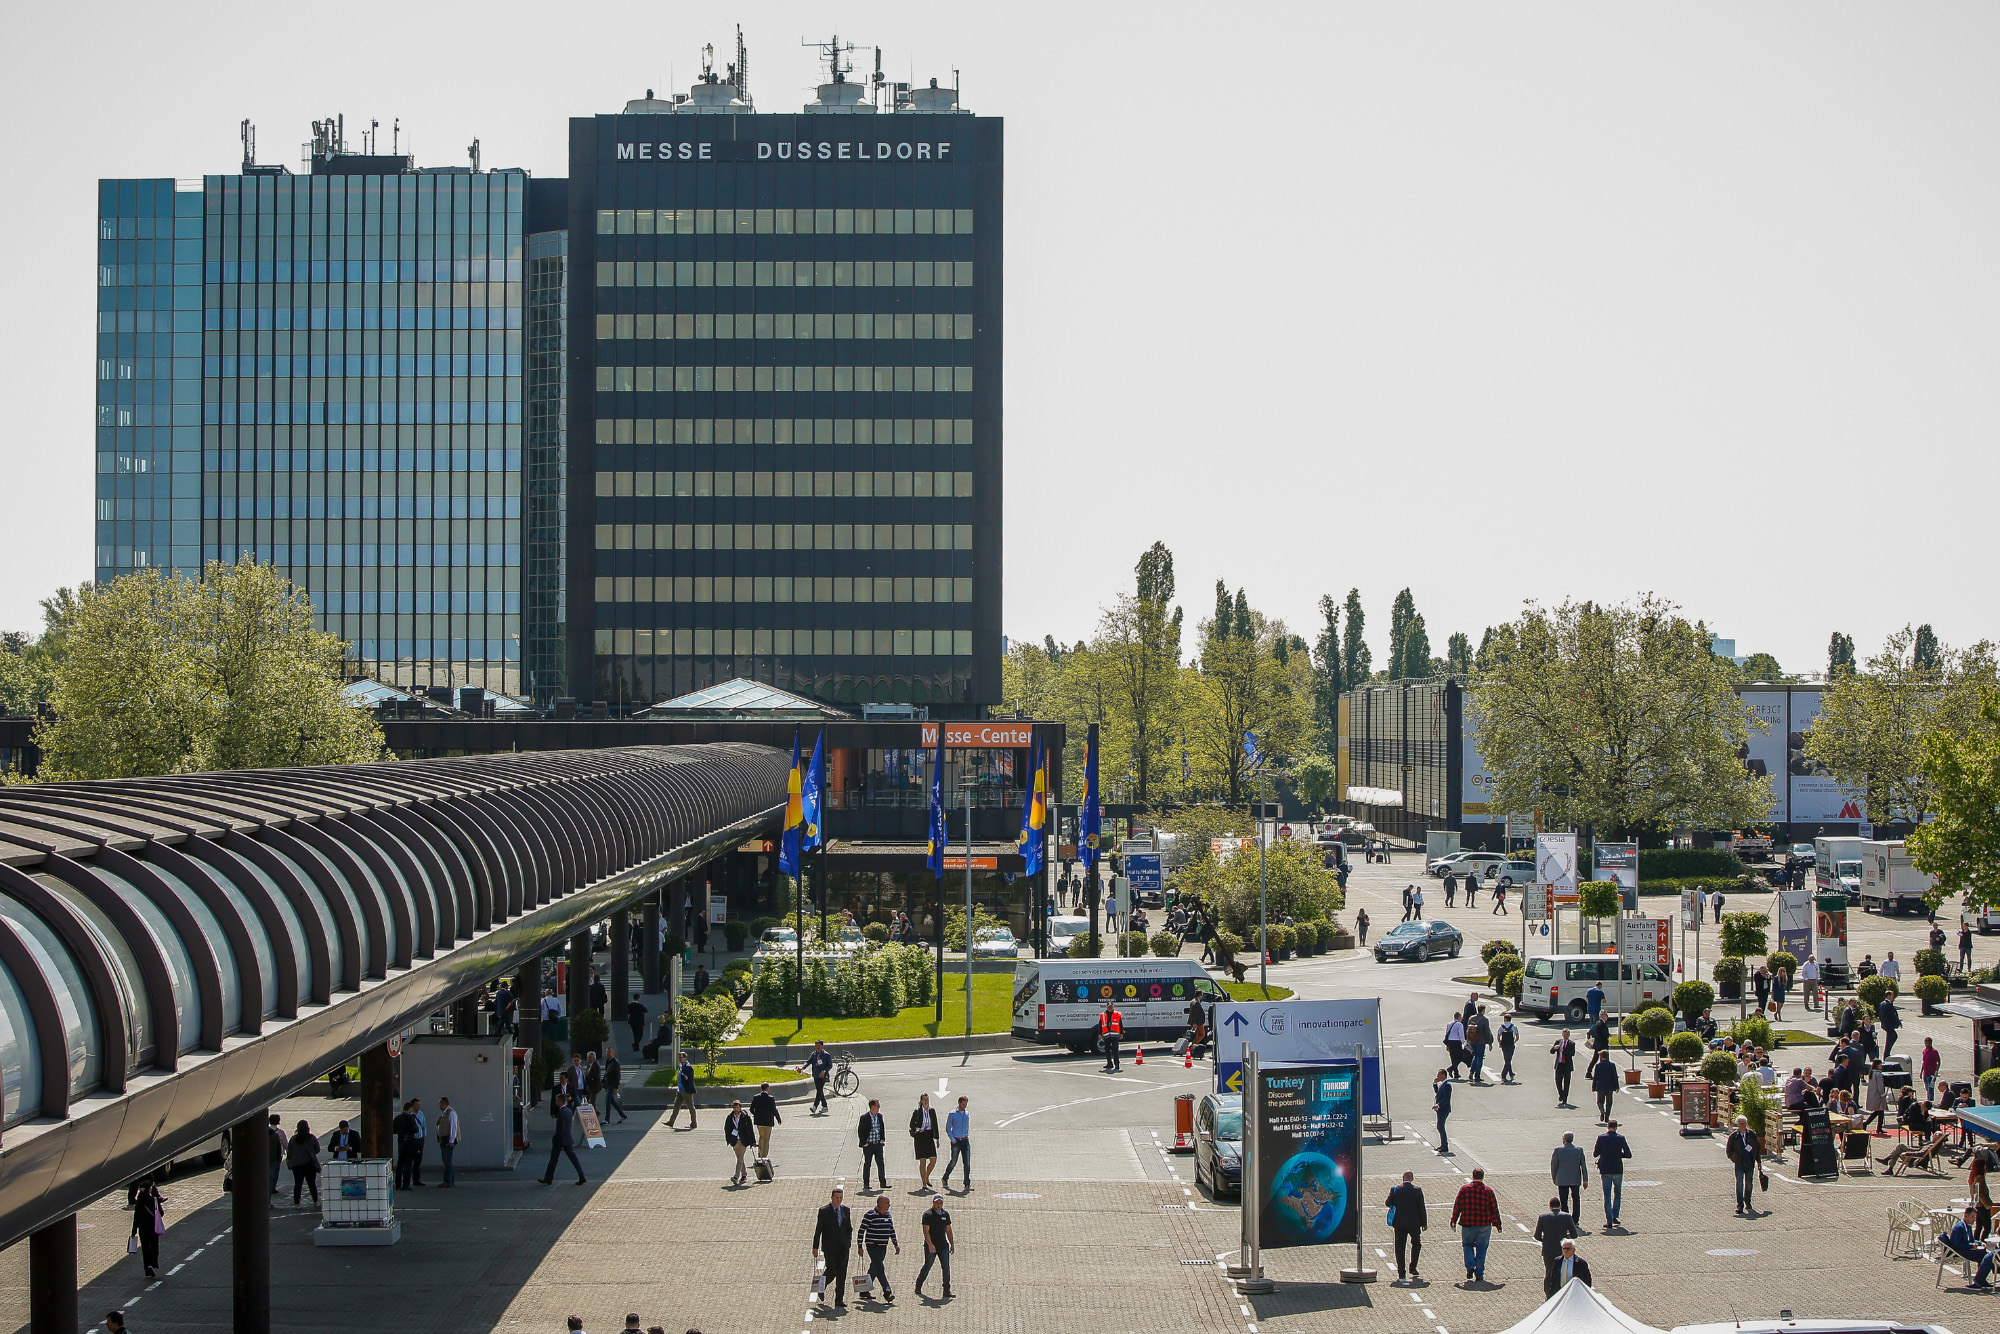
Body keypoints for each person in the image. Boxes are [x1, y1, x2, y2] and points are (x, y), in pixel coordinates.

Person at [1448, 1168, 1500, 1283]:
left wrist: (1454, 1219)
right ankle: (1480, 1273)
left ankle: (1470, 1266)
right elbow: (1494, 1209)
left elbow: (1458, 1206)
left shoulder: (1465, 1189)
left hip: (1467, 1224)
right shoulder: (1488, 1191)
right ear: (1483, 1176)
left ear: (1472, 1176)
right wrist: (1498, 1224)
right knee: (1482, 1248)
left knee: (1467, 1245)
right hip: (1484, 1224)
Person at [813, 1187, 855, 1309]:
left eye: (840, 1198)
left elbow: (849, 1228)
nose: (838, 1200)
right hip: (830, 1248)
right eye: (836, 1198)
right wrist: (815, 1247)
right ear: (832, 1198)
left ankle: (839, 1299)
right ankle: (821, 1286)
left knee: (842, 1274)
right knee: (831, 1270)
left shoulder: (846, 1210)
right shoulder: (824, 1211)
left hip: (843, 1248)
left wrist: (848, 1243)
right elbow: (818, 1230)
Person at [1385, 1170, 1428, 1284]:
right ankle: (1413, 1267)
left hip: (1399, 1224)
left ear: (1402, 1178)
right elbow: (1421, 1208)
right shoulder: (1417, 1191)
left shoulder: (1395, 1189)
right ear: (1412, 1179)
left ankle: (1401, 1273)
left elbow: (1387, 1203)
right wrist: (1424, 1223)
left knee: (1400, 1248)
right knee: (1416, 1244)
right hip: (1414, 1224)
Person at [539, 1091, 588, 1185]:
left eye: (556, 1101)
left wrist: (557, 1138)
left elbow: (560, 1127)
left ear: (560, 1101)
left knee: (553, 1159)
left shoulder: (561, 1112)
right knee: (573, 1158)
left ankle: (548, 1178)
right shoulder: (568, 1111)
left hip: (560, 1139)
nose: (555, 1102)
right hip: (568, 1138)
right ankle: (582, 1176)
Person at [1940, 1207, 1997, 1288]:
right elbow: (1956, 1245)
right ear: (1966, 1216)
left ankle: (1980, 1279)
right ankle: (1979, 1280)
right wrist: (1972, 1246)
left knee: (1985, 1255)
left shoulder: (1968, 1226)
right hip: (1958, 1251)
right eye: (1972, 1217)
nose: (1974, 1219)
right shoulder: (1959, 1228)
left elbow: (1972, 1239)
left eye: (1975, 1217)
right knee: (1985, 1255)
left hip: (1965, 1249)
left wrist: (1980, 1243)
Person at [858, 1194, 900, 1302]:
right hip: (872, 1246)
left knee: (874, 1268)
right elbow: (861, 1230)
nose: (889, 1205)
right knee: (880, 1268)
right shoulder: (870, 1215)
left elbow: (891, 1230)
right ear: (880, 1204)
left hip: (883, 1247)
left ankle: (864, 1290)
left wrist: (895, 1243)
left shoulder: (888, 1216)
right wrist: (860, 1245)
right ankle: (887, 1292)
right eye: (887, 1203)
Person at [1534, 1196, 1577, 1296]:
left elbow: (1537, 1235)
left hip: (1548, 1250)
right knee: (1563, 1272)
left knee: (1549, 1273)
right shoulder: (1566, 1216)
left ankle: (1548, 1295)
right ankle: (1562, 1293)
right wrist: (1565, 1239)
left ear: (1550, 1206)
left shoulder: (1542, 1217)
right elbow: (1574, 1234)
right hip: (1563, 1250)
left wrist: (1546, 1240)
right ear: (1560, 1206)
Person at [916, 1194, 955, 1299]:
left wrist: (952, 1243)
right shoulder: (927, 1215)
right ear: (933, 1203)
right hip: (931, 1245)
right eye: (937, 1203)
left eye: (940, 1203)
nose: (939, 1205)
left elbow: (948, 1229)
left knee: (946, 1267)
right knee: (928, 1265)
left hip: (943, 1245)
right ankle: (918, 1285)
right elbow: (926, 1232)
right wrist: (930, 1245)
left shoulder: (945, 1214)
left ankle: (946, 1290)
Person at [1594, 1120, 1631, 1228]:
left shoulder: (1601, 1138)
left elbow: (1595, 1153)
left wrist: (1604, 1153)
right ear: (1616, 1127)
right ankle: (1615, 1216)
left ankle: (1609, 1220)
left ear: (1608, 1127)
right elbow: (1628, 1154)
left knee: (1607, 1195)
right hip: (1617, 1169)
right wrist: (1619, 1155)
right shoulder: (1620, 1138)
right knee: (1617, 1193)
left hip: (1605, 1169)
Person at [130, 1176, 165, 1278]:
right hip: (153, 1228)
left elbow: (136, 1217)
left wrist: (134, 1231)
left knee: (145, 1248)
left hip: (142, 1228)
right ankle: (153, 1263)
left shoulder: (139, 1201)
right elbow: (161, 1213)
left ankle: (147, 1268)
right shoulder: (153, 1200)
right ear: (149, 1189)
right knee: (154, 1247)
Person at [1725, 1115, 1761, 1215]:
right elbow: (1728, 1151)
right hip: (1739, 1164)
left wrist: (1759, 1162)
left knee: (1749, 1184)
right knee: (1739, 1184)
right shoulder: (1733, 1136)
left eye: (1745, 1123)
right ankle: (1739, 1205)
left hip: (1750, 1162)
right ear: (1738, 1125)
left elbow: (1757, 1148)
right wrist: (1734, 1158)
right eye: (1741, 1124)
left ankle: (1748, 1201)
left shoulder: (1751, 1135)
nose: (1743, 1125)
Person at [1550, 1133, 1587, 1221]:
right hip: (1575, 1178)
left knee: (1563, 1199)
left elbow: (1553, 1165)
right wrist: (1585, 1179)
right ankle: (1575, 1219)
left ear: (1564, 1139)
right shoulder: (1579, 1150)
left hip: (1562, 1179)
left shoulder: (1558, 1150)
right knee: (1576, 1199)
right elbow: (1583, 1166)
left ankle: (1565, 1218)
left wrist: (1554, 1177)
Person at [857, 1098, 890, 1192]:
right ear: (872, 1107)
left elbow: (882, 1128)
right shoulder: (865, 1117)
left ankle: (883, 1183)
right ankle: (866, 1184)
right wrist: (864, 1143)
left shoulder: (879, 1116)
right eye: (877, 1105)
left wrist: (882, 1139)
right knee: (867, 1164)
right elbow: (861, 1131)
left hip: (878, 1144)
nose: (879, 1107)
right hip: (869, 1145)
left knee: (880, 1164)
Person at [286, 1120, 321, 1207]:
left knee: (298, 1183)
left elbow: (289, 1152)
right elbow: (317, 1150)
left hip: (296, 1164)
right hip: (309, 1164)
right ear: (307, 1128)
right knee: (311, 1183)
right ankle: (315, 1200)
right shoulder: (312, 1138)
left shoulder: (293, 1139)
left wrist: (289, 1161)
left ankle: (297, 1203)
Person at [911, 1093, 940, 1189]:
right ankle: (924, 1182)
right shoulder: (917, 1112)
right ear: (921, 1101)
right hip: (920, 1137)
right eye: (924, 1099)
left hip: (929, 1136)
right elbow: (912, 1124)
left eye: (927, 1099)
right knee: (922, 1161)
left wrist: (937, 1139)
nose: (926, 1101)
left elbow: (935, 1125)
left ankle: (927, 1176)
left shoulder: (932, 1111)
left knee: (933, 1159)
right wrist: (917, 1129)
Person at [944, 1095, 972, 1190]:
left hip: (965, 1140)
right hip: (956, 1141)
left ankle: (967, 1183)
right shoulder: (953, 1114)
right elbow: (948, 1128)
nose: (965, 1106)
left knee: (967, 1163)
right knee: (953, 1161)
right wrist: (953, 1139)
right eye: (963, 1104)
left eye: (966, 1104)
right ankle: (945, 1178)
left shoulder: (967, 1114)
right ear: (959, 1103)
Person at [724, 1099, 755, 1184]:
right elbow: (727, 1129)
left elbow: (750, 1130)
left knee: (740, 1158)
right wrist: (729, 1140)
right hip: (734, 1141)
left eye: (737, 1108)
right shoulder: (730, 1117)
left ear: (740, 1108)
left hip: (743, 1141)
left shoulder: (745, 1117)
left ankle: (736, 1176)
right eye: (735, 1108)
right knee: (740, 1159)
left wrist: (753, 1141)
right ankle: (744, 1175)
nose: (736, 1110)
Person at [392, 1101, 421, 1190]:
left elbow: (393, 1130)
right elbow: (416, 1129)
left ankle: (397, 1183)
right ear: (410, 1109)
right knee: (408, 1164)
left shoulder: (397, 1118)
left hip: (401, 1142)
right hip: (410, 1142)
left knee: (400, 1163)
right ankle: (406, 1184)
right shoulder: (410, 1118)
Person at [750, 1081, 782, 1160]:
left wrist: (755, 1114)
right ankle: (764, 1156)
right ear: (767, 1088)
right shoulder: (770, 1098)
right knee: (766, 1139)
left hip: (759, 1121)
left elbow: (751, 1109)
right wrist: (778, 1118)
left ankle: (760, 1154)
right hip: (768, 1121)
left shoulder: (756, 1097)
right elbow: (774, 1110)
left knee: (761, 1137)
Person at [667, 1054, 698, 1129]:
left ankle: (694, 1123)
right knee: (676, 1106)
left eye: (681, 1057)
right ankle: (671, 1122)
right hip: (680, 1090)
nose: (679, 1059)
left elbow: (690, 1080)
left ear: (685, 1058)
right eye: (679, 1057)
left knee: (690, 1106)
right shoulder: (682, 1066)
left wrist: (686, 1088)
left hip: (685, 1090)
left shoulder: (688, 1067)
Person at [1590, 1051, 1620, 1124]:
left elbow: (1595, 1077)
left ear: (1601, 1057)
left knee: (1600, 1101)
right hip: (1610, 1086)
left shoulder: (1598, 1065)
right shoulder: (1612, 1065)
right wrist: (1617, 1087)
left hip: (1600, 1086)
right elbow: (1615, 1076)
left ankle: (1602, 1110)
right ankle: (1607, 1117)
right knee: (1609, 1102)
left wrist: (1593, 1086)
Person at [807, 1041, 835, 1115]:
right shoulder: (814, 1054)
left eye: (819, 1045)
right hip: (816, 1075)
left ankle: (814, 1106)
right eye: (816, 1045)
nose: (817, 1047)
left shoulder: (826, 1055)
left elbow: (830, 1065)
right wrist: (802, 1067)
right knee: (820, 1090)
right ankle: (824, 1106)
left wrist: (824, 1071)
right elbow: (808, 1062)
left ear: (822, 1046)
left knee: (819, 1091)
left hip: (822, 1076)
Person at [1551, 1030, 1577, 1107]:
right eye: (1564, 1034)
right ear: (1562, 1034)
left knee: (1567, 1082)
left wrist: (1563, 1050)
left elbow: (1572, 1053)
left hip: (1567, 1065)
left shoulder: (1571, 1043)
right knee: (1557, 1080)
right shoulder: (1558, 1041)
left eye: (1567, 1034)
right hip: (1559, 1064)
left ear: (1569, 1035)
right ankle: (1561, 1094)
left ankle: (1565, 1099)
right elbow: (1551, 1052)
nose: (1565, 1035)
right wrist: (1555, 1048)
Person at [1466, 1006, 1492, 1085]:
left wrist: (1468, 1040)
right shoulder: (1484, 1020)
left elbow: (1468, 1030)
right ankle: (1477, 1076)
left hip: (1472, 1041)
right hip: (1481, 1041)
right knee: (1479, 1058)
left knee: (1475, 1056)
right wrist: (1490, 1042)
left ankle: (1471, 1072)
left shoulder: (1471, 1018)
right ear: (1483, 1010)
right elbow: (1487, 1032)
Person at [1098, 999, 1124, 1072]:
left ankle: (1117, 1064)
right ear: (1106, 1007)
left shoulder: (1117, 1014)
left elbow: (1120, 1024)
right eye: (1109, 1007)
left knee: (1115, 1050)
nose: (1110, 1008)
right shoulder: (1103, 1015)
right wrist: (1100, 1034)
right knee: (1107, 1050)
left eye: (1111, 1007)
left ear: (1113, 1007)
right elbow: (1100, 1025)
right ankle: (1109, 1063)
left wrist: (1121, 1033)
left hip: (1115, 1035)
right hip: (1106, 1035)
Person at [604, 1051, 628, 1124]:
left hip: (612, 1084)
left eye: (609, 1052)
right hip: (607, 1083)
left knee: (607, 1101)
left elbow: (618, 1076)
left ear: (613, 1053)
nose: (608, 1054)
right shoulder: (608, 1061)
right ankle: (623, 1114)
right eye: (607, 1052)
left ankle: (607, 1119)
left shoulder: (615, 1062)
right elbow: (606, 1072)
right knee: (612, 1101)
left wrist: (616, 1087)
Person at [1878, 990, 1902, 1060]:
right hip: (1889, 1025)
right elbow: (1892, 1015)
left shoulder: (1882, 1004)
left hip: (1886, 1025)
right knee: (1889, 1040)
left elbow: (1880, 1015)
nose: (1893, 997)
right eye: (1892, 995)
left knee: (1894, 1036)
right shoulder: (1888, 1004)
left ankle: (1887, 1053)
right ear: (1889, 996)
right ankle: (1886, 1054)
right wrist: (1898, 1022)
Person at [1433, 1069, 1452, 1154]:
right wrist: (1435, 1084)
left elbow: (1446, 1098)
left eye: (1439, 1075)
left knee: (1440, 1126)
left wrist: (1439, 1105)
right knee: (1439, 1126)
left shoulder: (1447, 1085)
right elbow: (1438, 1093)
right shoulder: (1442, 1084)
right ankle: (1443, 1144)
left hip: (1444, 1109)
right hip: (1440, 1109)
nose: (1437, 1076)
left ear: (1443, 1075)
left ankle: (1445, 1146)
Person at [1444, 1015, 1468, 1080]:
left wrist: (1447, 1045)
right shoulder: (1459, 1025)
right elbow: (1461, 1035)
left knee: (1453, 1057)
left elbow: (1447, 1033)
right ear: (1459, 1017)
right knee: (1460, 1057)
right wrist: (1464, 1043)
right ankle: (1451, 1068)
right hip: (1457, 1042)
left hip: (1450, 1041)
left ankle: (1456, 1072)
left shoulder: (1449, 1024)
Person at [1498, 1013, 1520, 1084]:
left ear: (1505, 1019)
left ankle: (1511, 1073)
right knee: (1508, 1059)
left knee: (1507, 1059)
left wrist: (1500, 1043)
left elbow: (1498, 1036)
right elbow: (1517, 1037)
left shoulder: (1501, 1027)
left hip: (1504, 1045)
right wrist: (1514, 1041)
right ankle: (1503, 1075)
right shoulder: (1514, 1027)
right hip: (1511, 1045)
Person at [1923, 1037, 1943, 1101]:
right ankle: (1928, 1098)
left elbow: (1939, 1061)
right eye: (1926, 1043)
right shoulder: (1924, 1051)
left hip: (1931, 1073)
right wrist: (1921, 1071)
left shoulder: (1934, 1051)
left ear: (1931, 1043)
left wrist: (1936, 1071)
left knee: (1931, 1088)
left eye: (1928, 1043)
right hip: (1925, 1072)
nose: (1927, 1044)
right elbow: (1924, 1061)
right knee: (1927, 1088)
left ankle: (1931, 1100)